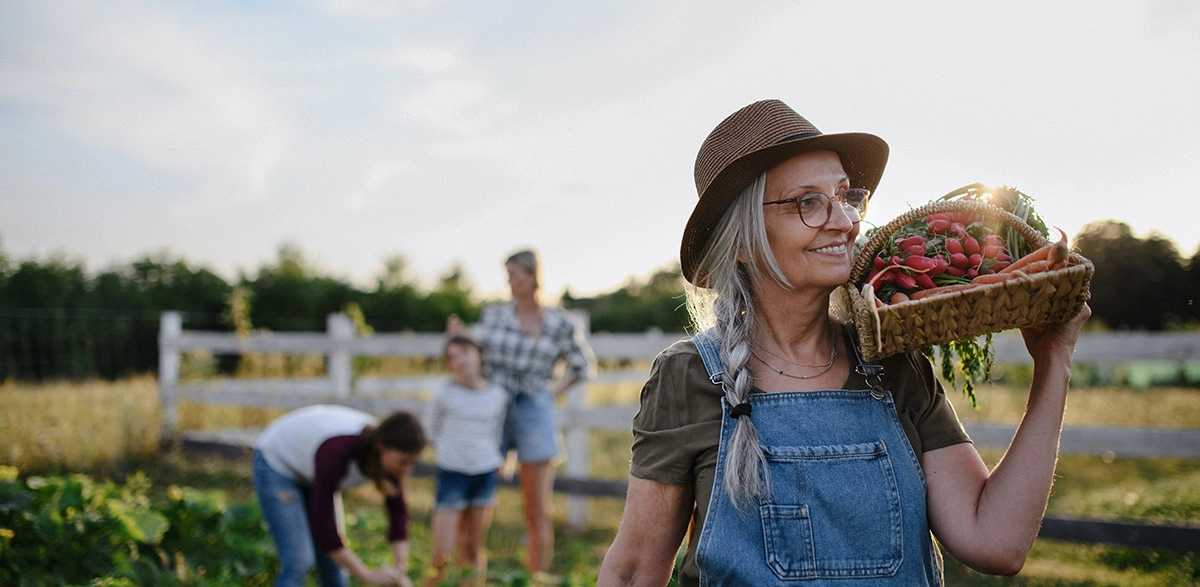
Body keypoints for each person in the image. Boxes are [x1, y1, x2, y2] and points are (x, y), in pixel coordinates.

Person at [597, 99, 1091, 586]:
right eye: (808, 202)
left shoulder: (894, 366)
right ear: (743, 241)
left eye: (845, 196)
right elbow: (634, 570)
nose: (845, 221)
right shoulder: (691, 376)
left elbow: (996, 542)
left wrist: (1054, 361)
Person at [446, 248, 596, 580]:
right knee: (477, 498)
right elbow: (477, 355)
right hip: (493, 406)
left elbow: (584, 366)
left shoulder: (559, 322)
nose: (510, 282)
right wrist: (459, 337)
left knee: (536, 507)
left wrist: (550, 395)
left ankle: (534, 578)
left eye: (514, 275)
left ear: (532, 276)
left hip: (534, 408)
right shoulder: (494, 315)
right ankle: (470, 576)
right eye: (508, 276)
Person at [253, 404, 426, 587]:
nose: (408, 470)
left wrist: (400, 567)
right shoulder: (337, 450)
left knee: (334, 563)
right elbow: (324, 529)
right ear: (381, 447)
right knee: (299, 561)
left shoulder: (387, 458)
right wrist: (366, 575)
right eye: (403, 462)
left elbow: (398, 513)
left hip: (313, 473)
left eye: (412, 463)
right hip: (278, 463)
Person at [423, 334, 509, 586]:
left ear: (478, 353)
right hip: (452, 472)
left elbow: (498, 433)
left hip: (484, 474)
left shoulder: (498, 395)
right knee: (441, 554)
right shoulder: (444, 392)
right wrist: (449, 450)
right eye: (453, 357)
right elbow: (430, 430)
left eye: (465, 352)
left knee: (472, 547)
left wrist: (497, 459)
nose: (460, 360)